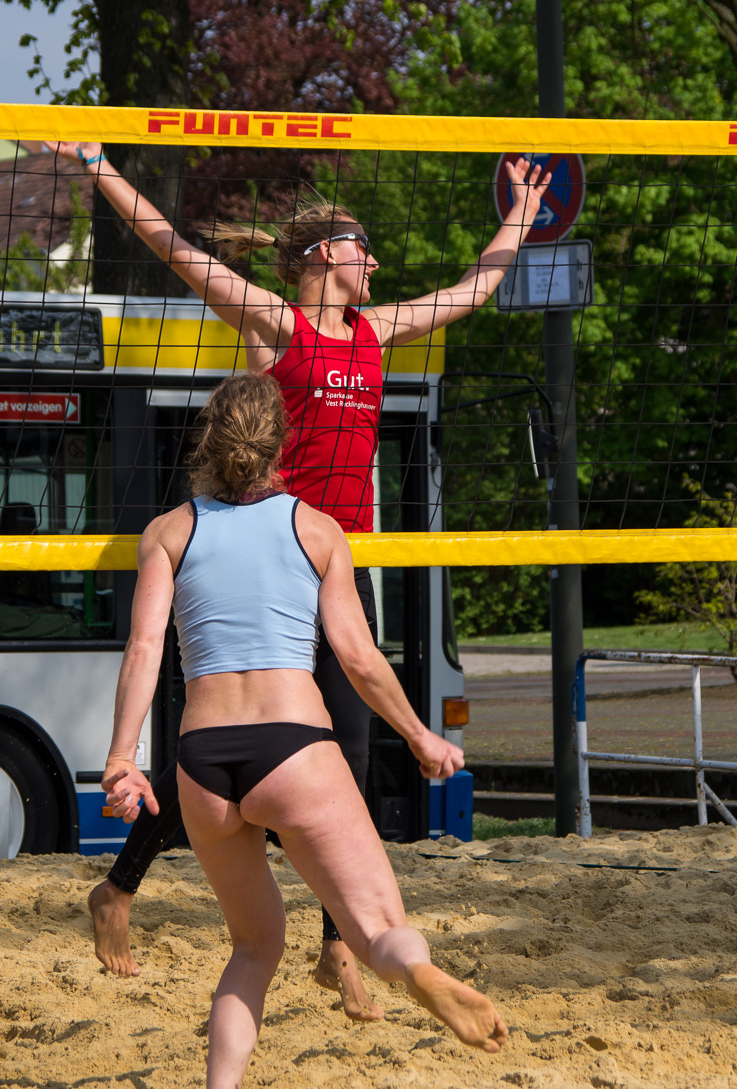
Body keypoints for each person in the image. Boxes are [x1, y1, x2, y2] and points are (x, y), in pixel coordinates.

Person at [46, 138, 550, 1010]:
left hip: (332, 564)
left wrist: (517, 216)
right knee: (225, 761)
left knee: (338, 755)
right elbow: (176, 248)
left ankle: (334, 948)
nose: (376, 263)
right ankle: (121, 888)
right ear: (325, 257)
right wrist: (99, 167)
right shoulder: (280, 323)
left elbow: (474, 290)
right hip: (266, 556)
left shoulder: (376, 329)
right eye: (364, 249)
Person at [101, 371, 508, 1085]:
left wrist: (121, 758)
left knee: (253, 948)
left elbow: (144, 650)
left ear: (208, 440)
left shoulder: (167, 531)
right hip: (294, 749)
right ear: (281, 445)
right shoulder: (317, 529)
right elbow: (357, 658)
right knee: (378, 927)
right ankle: (417, 974)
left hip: (201, 760)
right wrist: (418, 735)